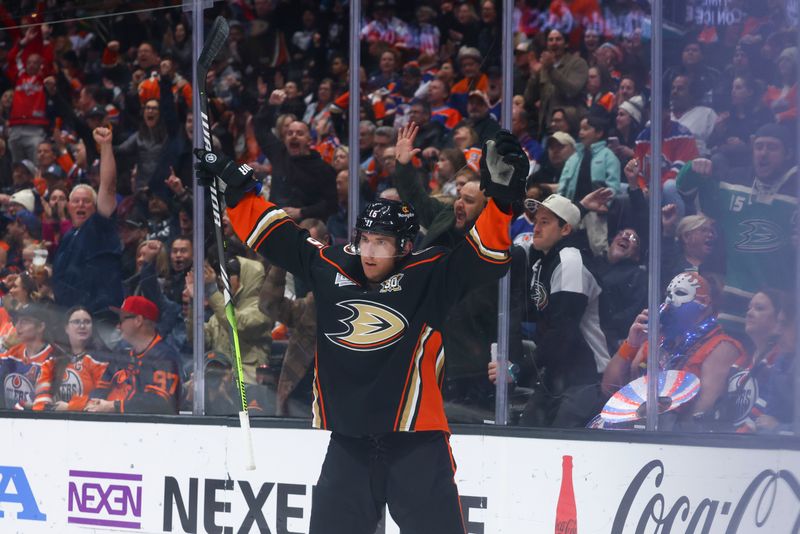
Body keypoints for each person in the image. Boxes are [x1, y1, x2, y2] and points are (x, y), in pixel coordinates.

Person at [194, 124, 528, 533]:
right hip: (349, 444)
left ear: (405, 246)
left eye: (382, 242)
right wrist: (237, 194)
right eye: (364, 239)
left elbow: (486, 256)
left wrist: (503, 202)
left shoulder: (430, 274)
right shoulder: (332, 266)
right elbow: (281, 237)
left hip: (416, 443)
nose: (369, 252)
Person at [676, 123, 797, 332]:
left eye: (772, 147)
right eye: (759, 147)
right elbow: (683, 187)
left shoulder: (795, 190)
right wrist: (693, 168)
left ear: (788, 153)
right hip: (734, 304)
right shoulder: (733, 183)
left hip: (781, 311)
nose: (763, 154)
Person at [511, 194, 610, 428]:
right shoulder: (543, 263)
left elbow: (562, 333)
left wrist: (519, 370)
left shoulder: (570, 263)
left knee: (560, 441)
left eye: (545, 222)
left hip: (586, 376)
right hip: (557, 373)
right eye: (536, 221)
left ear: (565, 229)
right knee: (527, 435)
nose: (536, 228)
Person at [602, 272, 745, 429]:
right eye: (668, 294)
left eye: (681, 293)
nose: (670, 300)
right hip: (634, 429)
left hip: (677, 438)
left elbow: (701, 414)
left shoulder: (722, 346)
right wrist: (631, 344)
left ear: (705, 303)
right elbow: (609, 389)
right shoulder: (656, 340)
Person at [52, 127, 122, 320]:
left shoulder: (98, 226)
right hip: (68, 317)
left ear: (95, 207)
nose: (81, 204)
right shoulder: (68, 237)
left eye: (87, 201)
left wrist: (106, 145)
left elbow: (108, 187)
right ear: (68, 206)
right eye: (76, 201)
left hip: (98, 318)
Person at [715, 291, 795, 433]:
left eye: (759, 308)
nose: (749, 313)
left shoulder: (781, 362)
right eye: (749, 308)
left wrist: (778, 428)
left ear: (776, 318)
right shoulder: (744, 358)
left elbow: (766, 418)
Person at [185, 256, 273, 385]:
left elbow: (237, 324)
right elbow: (198, 341)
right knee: (184, 391)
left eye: (229, 274)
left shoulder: (262, 309)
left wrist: (211, 291)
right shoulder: (220, 312)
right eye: (220, 274)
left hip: (247, 384)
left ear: (245, 278)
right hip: (217, 377)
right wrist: (194, 301)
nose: (221, 279)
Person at [85, 296, 181, 414]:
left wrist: (114, 406)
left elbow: (159, 402)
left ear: (138, 321)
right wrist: (95, 402)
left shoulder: (165, 357)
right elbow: (101, 387)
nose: (118, 326)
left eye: (122, 320)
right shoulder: (122, 353)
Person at [31, 306, 111, 411]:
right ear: (66, 328)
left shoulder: (101, 361)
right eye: (76, 322)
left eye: (87, 322)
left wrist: (69, 407)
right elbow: (41, 399)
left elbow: (100, 402)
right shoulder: (52, 361)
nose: (82, 326)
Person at [524, 28, 588, 136]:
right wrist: (535, 75)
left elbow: (572, 90)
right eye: (550, 40)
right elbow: (529, 99)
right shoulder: (543, 67)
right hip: (546, 129)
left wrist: (551, 70)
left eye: (558, 39)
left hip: (569, 129)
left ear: (566, 44)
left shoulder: (578, 63)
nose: (554, 43)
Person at [0, 303, 54, 409]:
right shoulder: (11, 353)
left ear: (41, 327)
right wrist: (3, 345)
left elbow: (42, 400)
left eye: (24, 322)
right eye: (17, 321)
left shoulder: (54, 358)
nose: (17, 326)